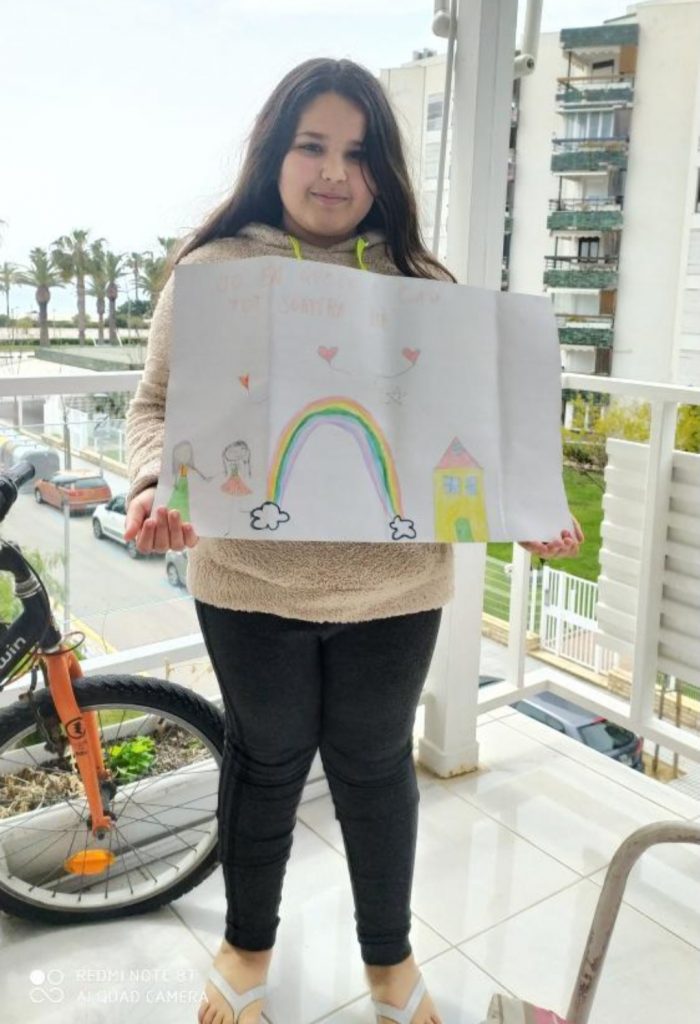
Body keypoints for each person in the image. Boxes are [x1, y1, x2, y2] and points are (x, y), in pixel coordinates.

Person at [124, 57, 584, 1024]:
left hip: (397, 593)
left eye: (360, 152)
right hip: (248, 583)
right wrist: (154, 482)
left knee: (376, 771)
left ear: (386, 170)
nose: (335, 171)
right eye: (313, 146)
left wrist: (529, 503)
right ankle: (246, 948)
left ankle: (388, 959)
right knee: (265, 764)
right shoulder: (212, 271)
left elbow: (476, 428)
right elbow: (155, 406)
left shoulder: (426, 282)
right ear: (274, 155)